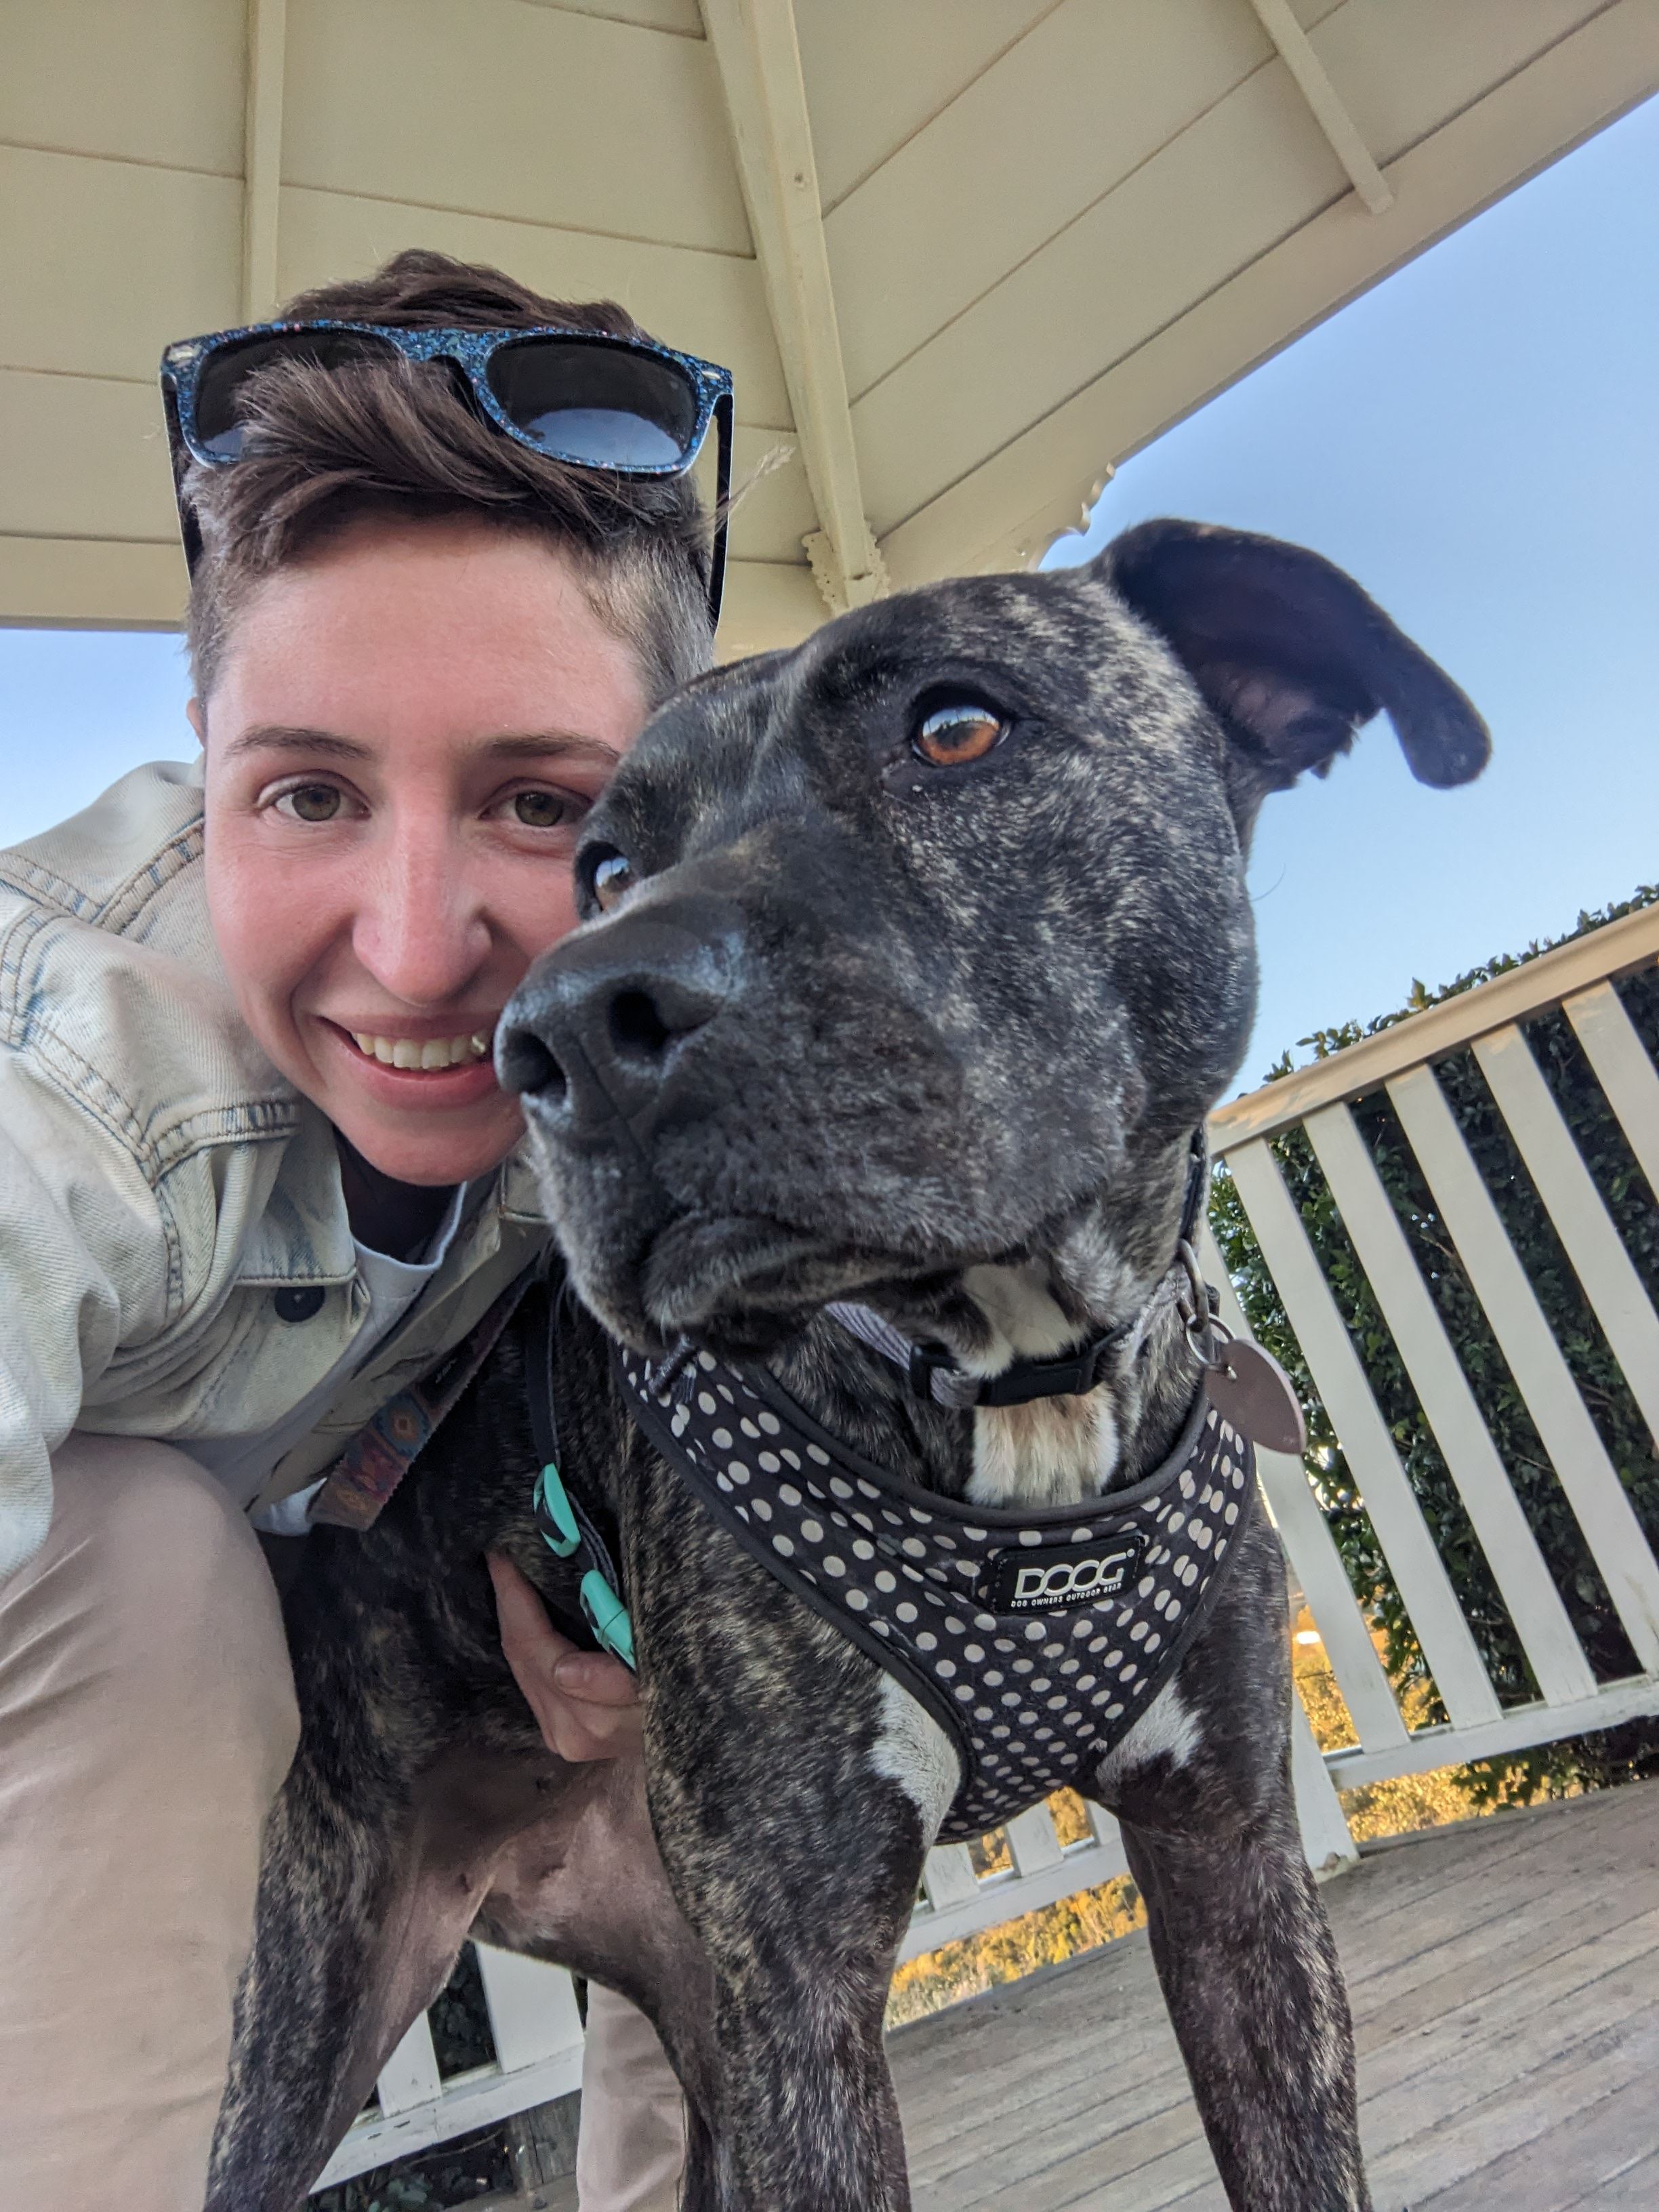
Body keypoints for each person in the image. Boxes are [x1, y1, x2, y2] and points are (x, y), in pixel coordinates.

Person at [0, 249, 708, 2211]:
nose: (414, 954)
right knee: (146, 1568)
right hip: (93, 1638)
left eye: (541, 805)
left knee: (713, 1688)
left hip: (345, 1579)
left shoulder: (700, 1005)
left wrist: (575, 1552)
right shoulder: (74, 1075)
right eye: (306, 791)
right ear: (199, 770)